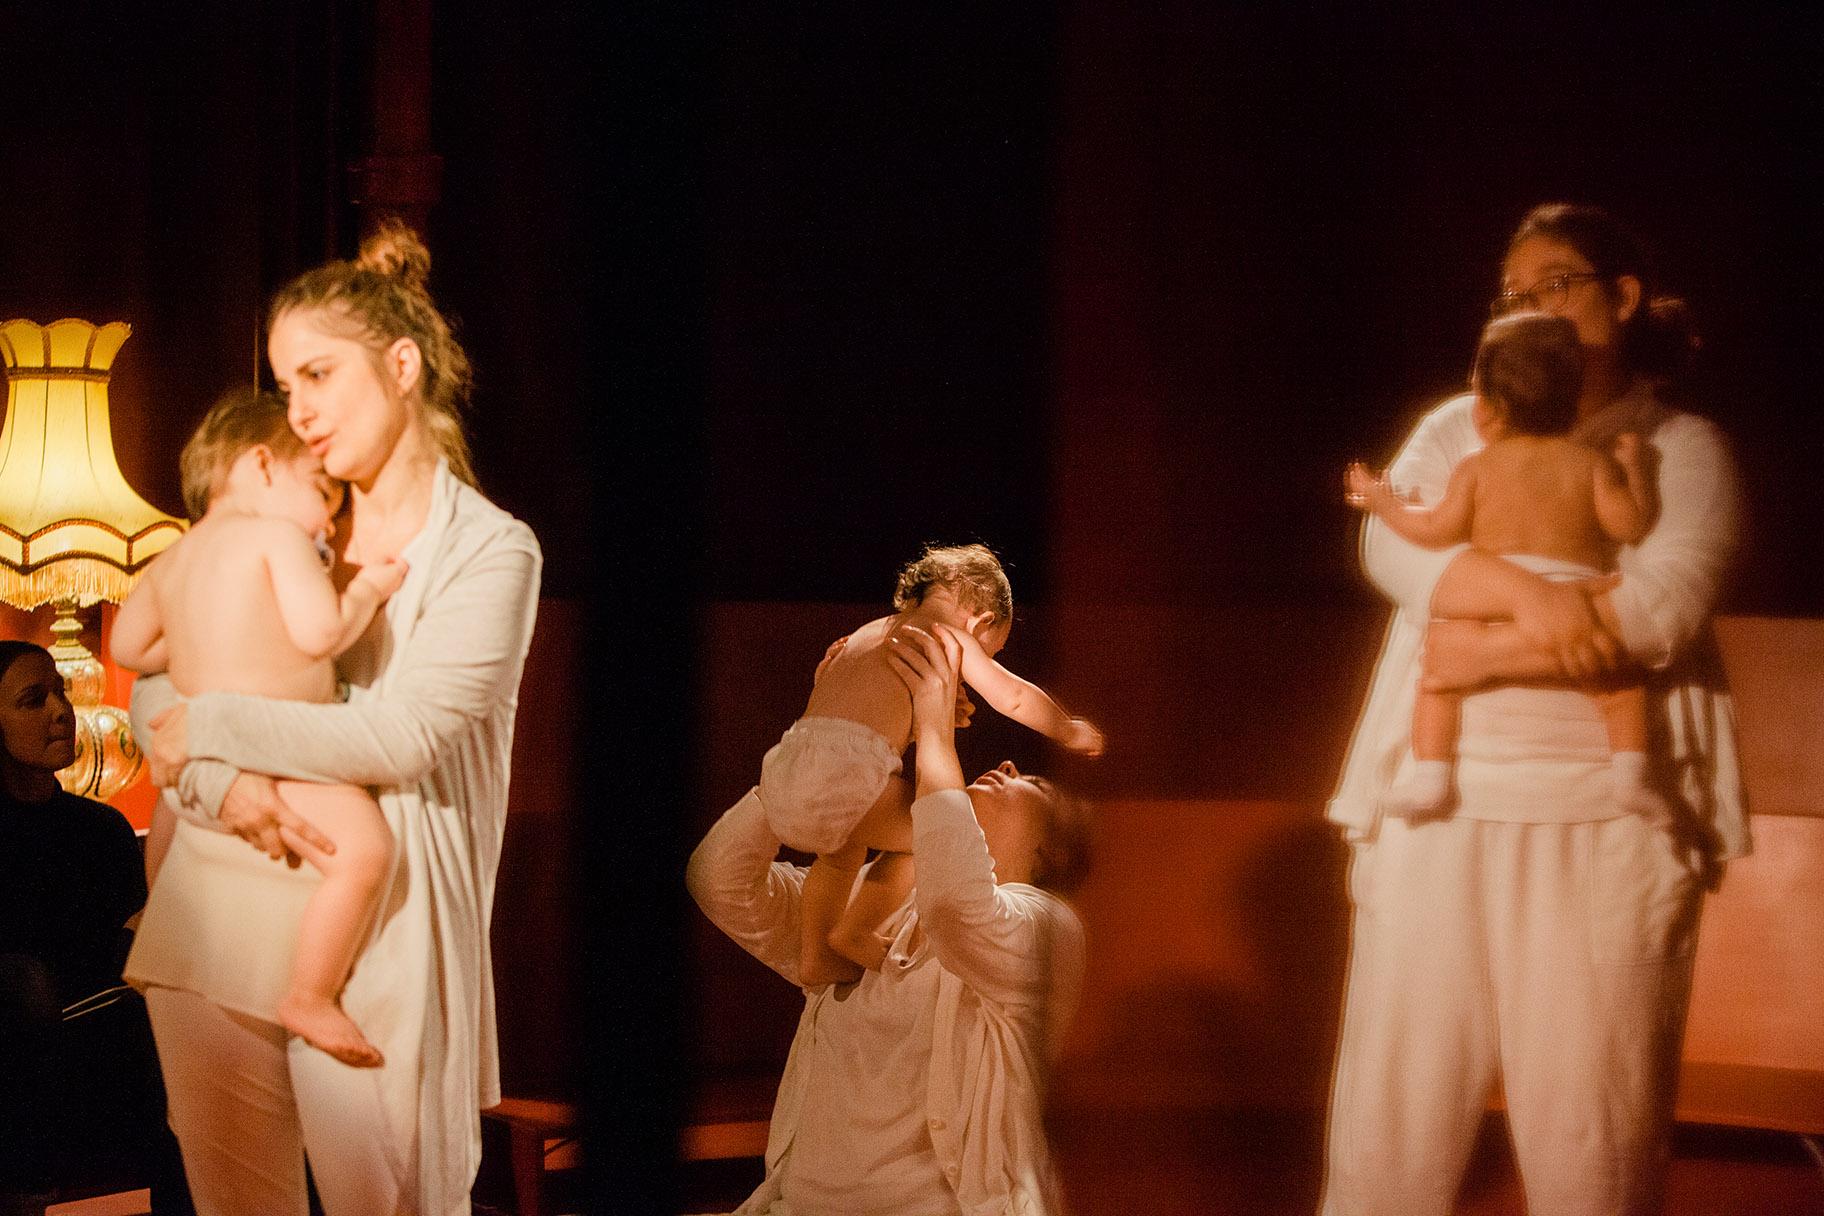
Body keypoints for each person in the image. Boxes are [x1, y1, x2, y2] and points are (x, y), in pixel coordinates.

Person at [1321, 203, 1747, 1216]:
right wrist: (1547, 598)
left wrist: (1475, 640)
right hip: (1442, 806)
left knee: (1595, 1136)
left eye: (1552, 284)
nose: (1529, 308)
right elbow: (1399, 552)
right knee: (1392, 1126)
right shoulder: (1456, 426)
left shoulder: (1680, 447)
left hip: (1606, 828)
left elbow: (1656, 610)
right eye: (1513, 295)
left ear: (1622, 297)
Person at [121, 221, 542, 1216]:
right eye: (285, 383)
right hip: (218, 909)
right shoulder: (281, 510)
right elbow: (155, 676)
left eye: (317, 376)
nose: (296, 411)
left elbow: (401, 738)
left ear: (401, 367)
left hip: (375, 933)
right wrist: (220, 771)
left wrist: (216, 725)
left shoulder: (491, 552)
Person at [689, 622, 1091, 1216]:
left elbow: (959, 906)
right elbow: (719, 879)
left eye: (1031, 781)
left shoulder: (1046, 928)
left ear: (1046, 855)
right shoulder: (871, 895)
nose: (1006, 761)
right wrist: (822, 744)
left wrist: (933, 731)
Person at [111, 386, 408, 1068]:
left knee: (166, 834)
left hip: (200, 769)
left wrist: (194, 649)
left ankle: (156, 928)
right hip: (280, 753)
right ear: (263, 467)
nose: (327, 525)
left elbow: (130, 649)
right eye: (323, 496)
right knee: (364, 851)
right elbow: (321, 631)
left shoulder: (170, 559)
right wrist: (365, 590)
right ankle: (310, 992)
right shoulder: (277, 536)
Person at [1344, 311, 1665, 824]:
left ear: (1490, 411)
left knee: (1437, 677)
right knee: (1619, 685)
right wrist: (1636, 471)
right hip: (1574, 593)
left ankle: (1430, 777)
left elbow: (1436, 531)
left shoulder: (1477, 467)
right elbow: (1629, 525)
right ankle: (1632, 775)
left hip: (1491, 600)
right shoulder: (1591, 464)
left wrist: (1384, 504)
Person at [764, 541, 1102, 986]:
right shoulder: (950, 635)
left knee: (840, 849)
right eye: (991, 653)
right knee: (932, 828)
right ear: (980, 620)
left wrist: (928, 719)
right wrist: (1069, 729)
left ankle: (815, 954)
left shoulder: (872, 632)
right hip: (839, 783)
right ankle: (853, 931)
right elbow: (1014, 697)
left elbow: (859, 720)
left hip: (782, 777)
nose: (978, 666)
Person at [0, 642, 193, 1216]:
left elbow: (143, 935)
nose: (62, 710)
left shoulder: (102, 827)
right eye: (35, 700)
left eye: (59, 691)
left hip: (111, 1027)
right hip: (37, 1045)